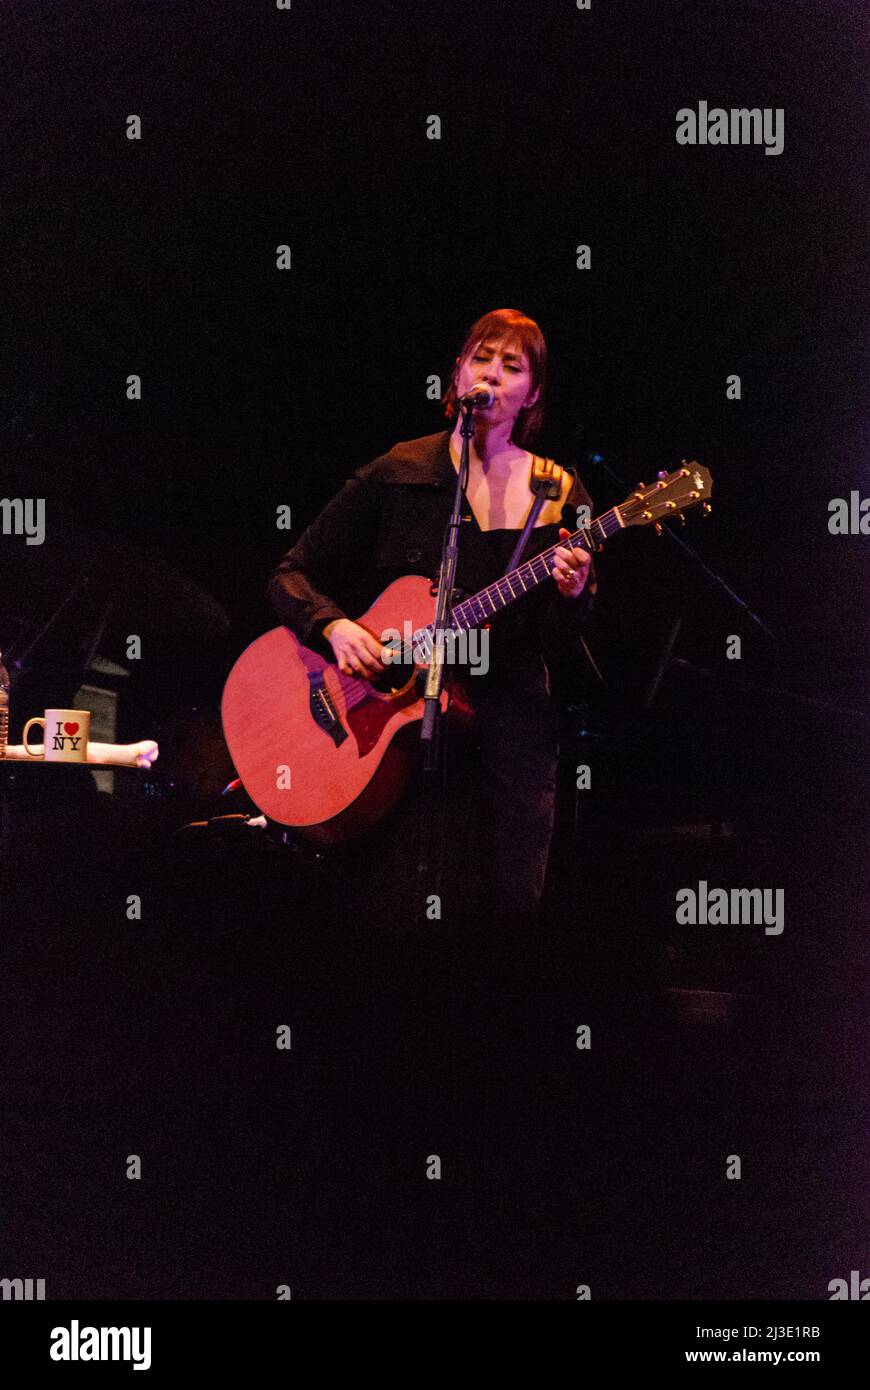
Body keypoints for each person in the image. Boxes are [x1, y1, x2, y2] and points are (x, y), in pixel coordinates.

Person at [268, 308, 596, 937]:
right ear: (456, 374)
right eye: (482, 358)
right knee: (386, 905)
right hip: (391, 734)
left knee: (504, 908)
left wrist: (575, 592)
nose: (493, 377)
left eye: (512, 366)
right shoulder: (400, 472)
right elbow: (290, 573)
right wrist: (336, 627)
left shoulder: (560, 493)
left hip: (509, 727)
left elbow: (568, 638)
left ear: (533, 392)